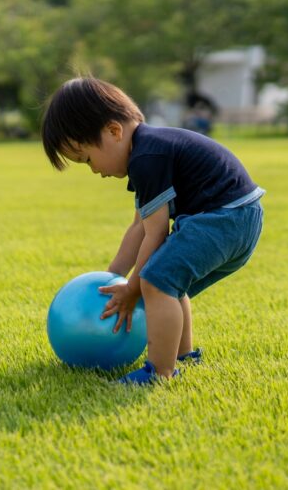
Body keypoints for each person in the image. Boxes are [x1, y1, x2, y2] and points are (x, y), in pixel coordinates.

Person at [41, 76, 265, 385]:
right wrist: (111, 279)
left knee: (155, 282)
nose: (93, 170)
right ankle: (183, 356)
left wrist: (133, 286)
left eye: (88, 158)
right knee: (169, 282)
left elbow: (156, 232)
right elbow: (139, 227)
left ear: (114, 131)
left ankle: (160, 372)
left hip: (222, 218)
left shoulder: (147, 158)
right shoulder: (149, 152)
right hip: (239, 218)